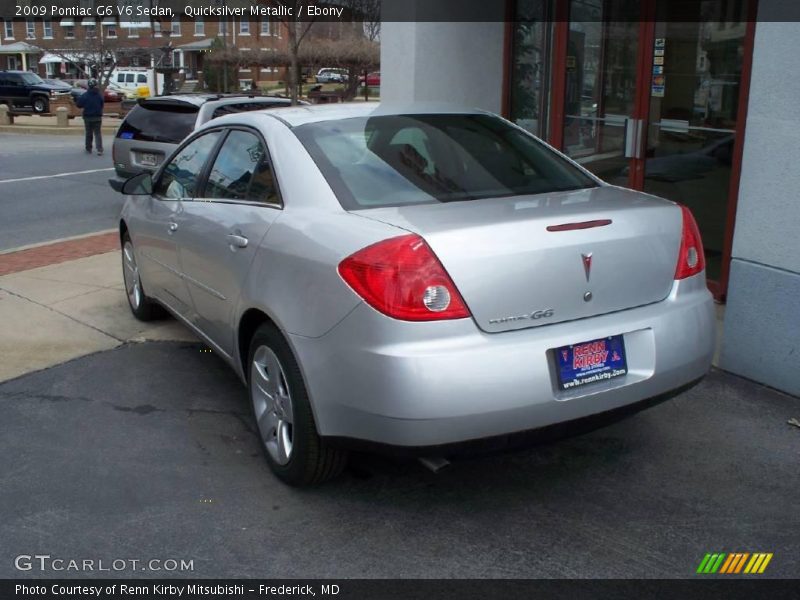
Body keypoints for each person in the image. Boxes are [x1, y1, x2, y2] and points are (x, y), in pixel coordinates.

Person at [76, 79, 104, 156]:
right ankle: (100, 149)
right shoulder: (99, 95)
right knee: (97, 133)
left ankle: (88, 148)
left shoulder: (85, 95)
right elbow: (102, 104)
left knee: (89, 133)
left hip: (87, 117)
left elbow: (79, 105)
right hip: (97, 117)